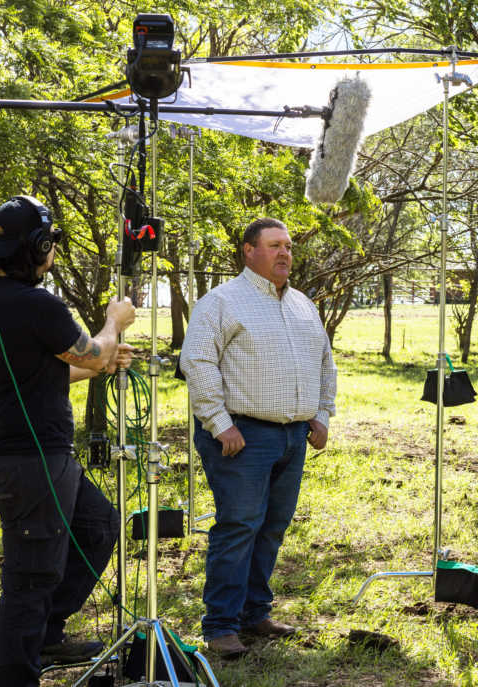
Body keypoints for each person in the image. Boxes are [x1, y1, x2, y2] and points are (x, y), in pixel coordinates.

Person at [0, 196, 136, 687]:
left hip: (26, 458)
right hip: (31, 461)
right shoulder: (38, 303)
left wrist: (101, 359)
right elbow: (89, 349)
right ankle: (15, 678)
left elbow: (46, 372)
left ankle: (45, 634)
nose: (53, 251)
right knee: (31, 577)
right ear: (37, 246)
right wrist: (113, 324)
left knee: (99, 524)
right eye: (51, 242)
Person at [180, 217, 336, 658]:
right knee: (239, 527)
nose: (285, 253)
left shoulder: (304, 304)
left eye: (288, 246)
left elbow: (326, 362)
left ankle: (255, 614)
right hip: (240, 435)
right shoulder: (221, 302)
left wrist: (322, 414)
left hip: (293, 437)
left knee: (271, 528)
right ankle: (221, 626)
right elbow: (197, 362)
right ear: (249, 251)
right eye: (274, 246)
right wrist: (219, 421)